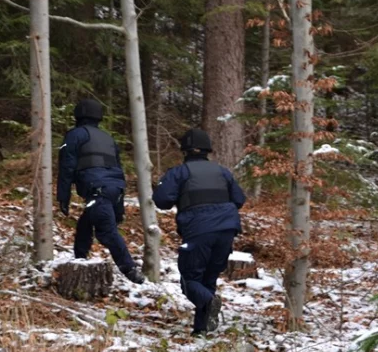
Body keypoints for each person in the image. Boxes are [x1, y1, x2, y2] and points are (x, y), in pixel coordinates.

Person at [153, 129, 246, 335]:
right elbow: (239, 200)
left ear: (185, 150)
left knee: (190, 279)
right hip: (227, 229)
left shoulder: (179, 172)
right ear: (207, 150)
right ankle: (200, 330)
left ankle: (209, 302)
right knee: (208, 278)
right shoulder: (223, 172)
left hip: (198, 230)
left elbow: (162, 201)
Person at [58, 99, 145, 284]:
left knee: (106, 232)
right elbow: (118, 170)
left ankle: (130, 269)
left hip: (97, 190)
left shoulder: (75, 135)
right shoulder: (108, 138)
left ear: (78, 115)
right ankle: (80, 258)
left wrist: (63, 197)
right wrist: (119, 207)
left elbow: (66, 167)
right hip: (115, 189)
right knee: (86, 223)